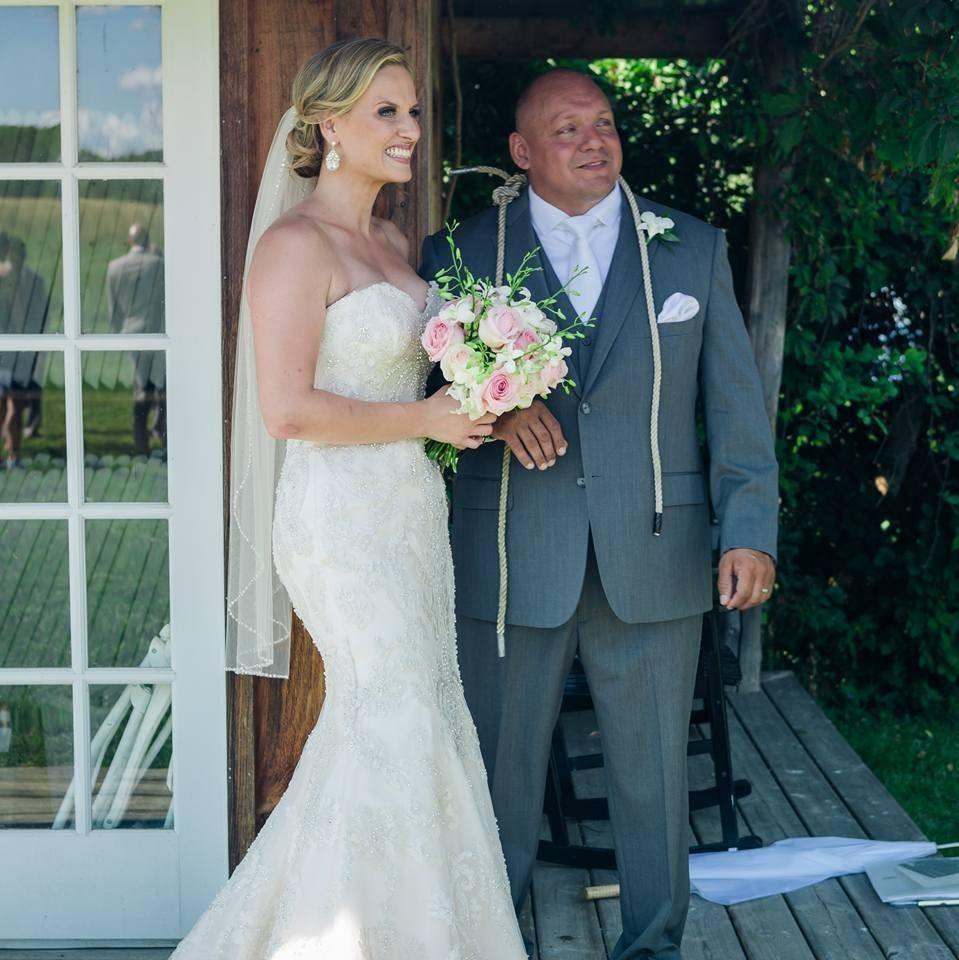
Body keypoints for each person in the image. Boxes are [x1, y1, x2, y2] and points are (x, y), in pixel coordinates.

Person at [169, 39, 527, 960]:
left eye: (412, 111)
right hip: (339, 524)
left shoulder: (394, 245)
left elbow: (413, 386)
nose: (409, 129)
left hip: (408, 511)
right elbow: (287, 410)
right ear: (328, 125)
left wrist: (488, 388)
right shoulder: (294, 246)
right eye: (386, 112)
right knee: (391, 714)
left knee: (421, 714)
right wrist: (426, 419)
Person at [420, 68, 779, 959]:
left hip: (656, 549)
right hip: (509, 552)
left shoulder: (690, 247)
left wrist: (748, 533)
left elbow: (735, 406)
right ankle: (490, 941)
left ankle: (652, 945)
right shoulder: (461, 252)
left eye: (605, 123)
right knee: (495, 774)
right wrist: (496, 410)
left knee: (653, 777)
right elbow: (419, 399)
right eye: (568, 128)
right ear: (521, 151)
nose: (595, 141)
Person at [105, 223, 166, 453]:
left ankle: (142, 441)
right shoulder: (159, 264)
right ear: (147, 239)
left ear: (129, 241)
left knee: (144, 386)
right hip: (157, 333)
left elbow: (113, 310)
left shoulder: (114, 267)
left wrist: (118, 335)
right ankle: (157, 437)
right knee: (155, 386)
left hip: (130, 333)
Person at [0, 237, 48, 469]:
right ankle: (13, 454)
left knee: (9, 404)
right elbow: (19, 315)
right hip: (13, 349)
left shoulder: (29, 279)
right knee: (14, 405)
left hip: (13, 349)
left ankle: (11, 454)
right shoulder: (8, 277)